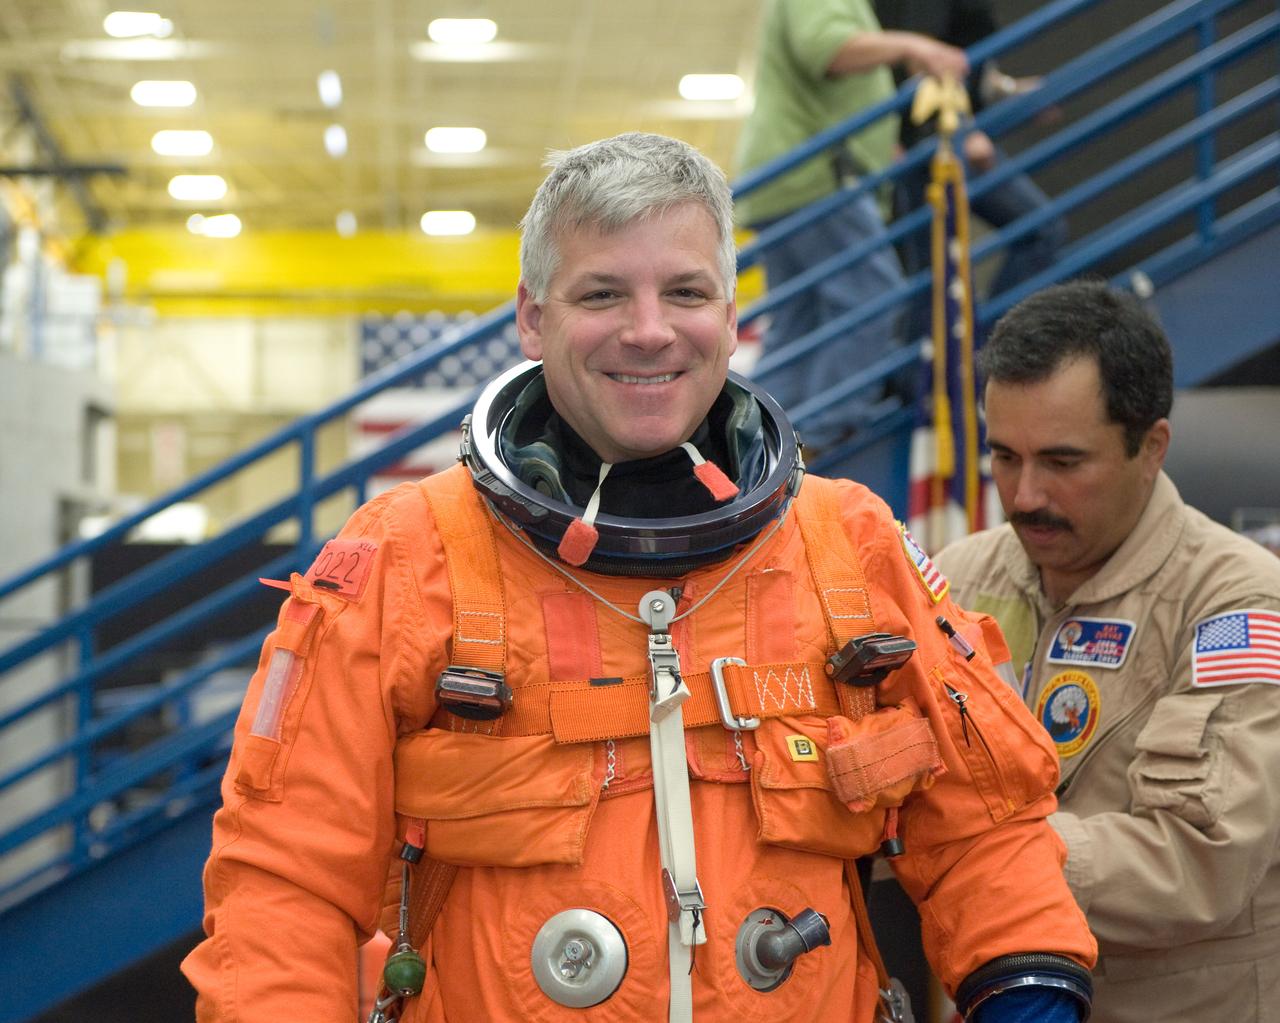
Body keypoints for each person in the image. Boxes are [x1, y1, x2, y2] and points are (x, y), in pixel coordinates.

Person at [182, 132, 1096, 1023]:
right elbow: (283, 881)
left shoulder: (847, 544)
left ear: (730, 317)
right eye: (603, 293)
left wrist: (1030, 998)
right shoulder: (408, 556)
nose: (650, 331)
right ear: (532, 316)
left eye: (686, 292)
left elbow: (988, 832)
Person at [934, 280, 1280, 1023]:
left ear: (1150, 448)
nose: (1025, 495)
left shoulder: (1239, 605)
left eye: (1063, 462)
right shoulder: (957, 580)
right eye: (1004, 456)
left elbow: (1203, 860)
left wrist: (981, 849)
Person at [734, 0, 969, 450]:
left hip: (794, 176)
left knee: (800, 321)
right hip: (817, 178)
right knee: (872, 297)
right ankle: (817, 439)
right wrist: (915, 47)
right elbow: (826, 48)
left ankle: (753, 443)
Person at [873, 0, 1067, 345]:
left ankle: (976, 354)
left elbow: (963, 60)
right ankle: (988, 351)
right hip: (935, 141)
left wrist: (1010, 92)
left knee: (934, 281)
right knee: (1038, 231)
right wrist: (959, 128)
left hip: (939, 136)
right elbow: (919, 54)